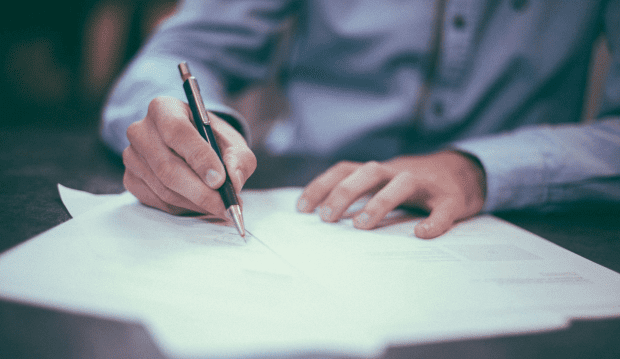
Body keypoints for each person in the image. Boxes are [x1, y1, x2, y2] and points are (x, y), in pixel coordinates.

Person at [101, 0, 620, 239]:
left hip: (528, 221)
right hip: (307, 202)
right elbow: (181, 51)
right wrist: (188, 127)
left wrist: (477, 169)